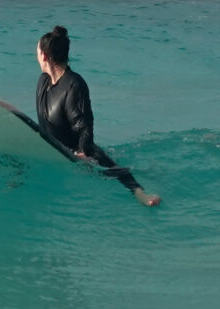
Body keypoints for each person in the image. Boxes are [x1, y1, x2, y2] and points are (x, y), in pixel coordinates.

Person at [34, 26, 159, 206]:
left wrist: (83, 153)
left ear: (44, 56)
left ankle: (140, 193)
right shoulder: (43, 82)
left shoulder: (74, 85)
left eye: (37, 52)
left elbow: (84, 125)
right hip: (53, 150)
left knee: (116, 171)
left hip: (78, 153)